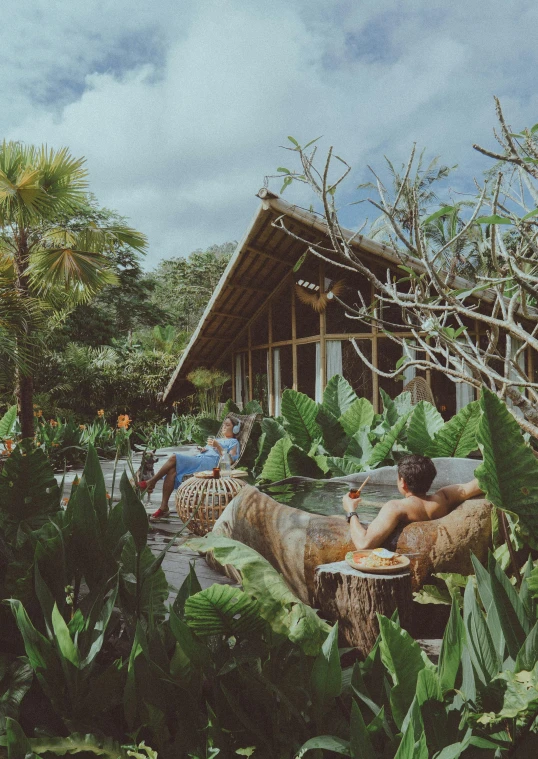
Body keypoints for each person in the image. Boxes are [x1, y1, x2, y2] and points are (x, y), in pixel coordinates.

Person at [343, 454, 483, 550]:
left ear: (402, 482)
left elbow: (363, 544)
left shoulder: (396, 507)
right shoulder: (444, 498)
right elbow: (477, 484)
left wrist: (351, 511)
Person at [141, 416, 241, 519]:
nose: (224, 427)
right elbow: (210, 450)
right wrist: (204, 449)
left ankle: (151, 482)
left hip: (210, 464)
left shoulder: (234, 442)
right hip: (200, 459)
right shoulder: (217, 439)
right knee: (172, 470)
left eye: (227, 425)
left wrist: (218, 446)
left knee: (174, 457)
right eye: (224, 424)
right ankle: (164, 508)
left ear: (235, 429)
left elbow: (230, 460)